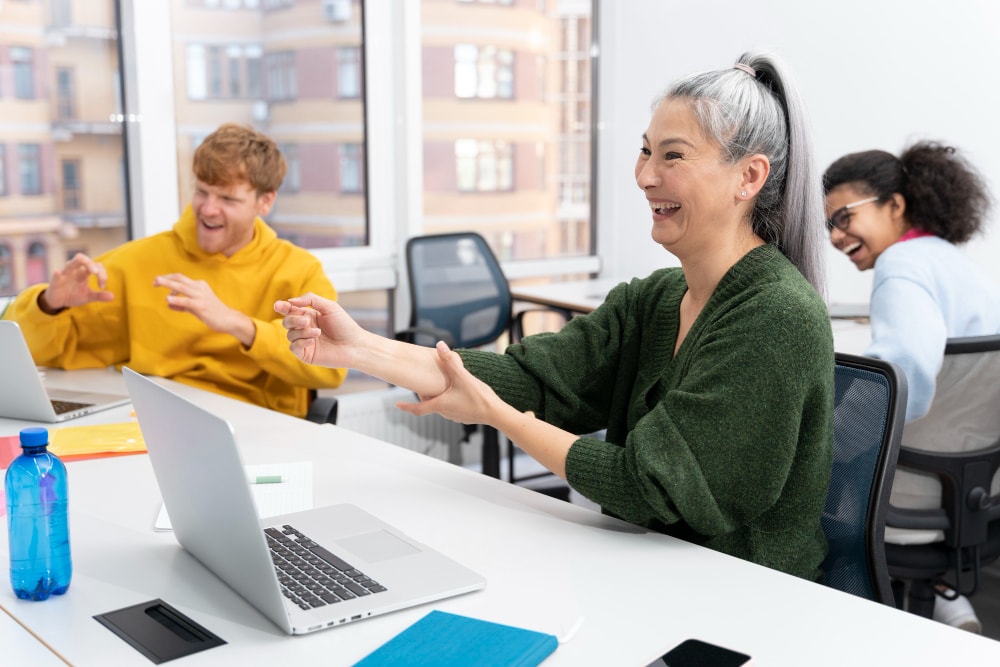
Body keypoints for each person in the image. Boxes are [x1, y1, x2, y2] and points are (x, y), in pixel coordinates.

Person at [276, 52, 835, 580]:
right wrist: (360, 349)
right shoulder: (658, 298)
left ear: (749, 177)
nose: (644, 176)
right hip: (647, 569)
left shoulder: (777, 316)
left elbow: (646, 484)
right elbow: (532, 379)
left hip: (741, 597)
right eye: (645, 151)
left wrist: (500, 417)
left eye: (673, 155)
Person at [2, 123, 346, 417]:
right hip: (157, 422)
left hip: (259, 429)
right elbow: (27, 355)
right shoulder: (137, 261)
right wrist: (49, 305)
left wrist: (239, 325)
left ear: (265, 202)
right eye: (202, 192)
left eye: (227, 199)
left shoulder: (298, 271)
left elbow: (331, 371)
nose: (208, 210)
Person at [823, 142, 1000, 632]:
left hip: (917, 491)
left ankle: (846, 626)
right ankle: (940, 592)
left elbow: (905, 386)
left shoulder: (900, 266)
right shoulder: (952, 262)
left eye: (844, 216)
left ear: (895, 205)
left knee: (798, 469)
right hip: (973, 486)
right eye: (828, 225)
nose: (836, 236)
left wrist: (827, 447)